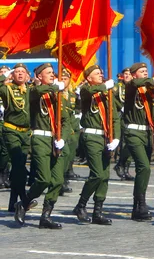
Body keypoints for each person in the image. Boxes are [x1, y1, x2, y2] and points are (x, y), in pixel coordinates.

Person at [15, 63, 68, 229]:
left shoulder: (56, 96)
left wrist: (63, 138)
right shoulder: (34, 91)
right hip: (40, 139)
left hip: (56, 141)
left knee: (58, 180)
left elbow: (66, 120)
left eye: (53, 73)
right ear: (39, 76)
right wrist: (54, 87)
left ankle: (46, 216)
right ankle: (23, 202)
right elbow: (37, 91)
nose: (53, 75)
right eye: (49, 73)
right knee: (43, 179)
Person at [72, 65, 119, 225]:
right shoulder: (86, 91)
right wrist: (105, 86)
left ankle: (98, 211)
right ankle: (81, 204)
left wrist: (116, 138)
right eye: (97, 73)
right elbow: (87, 93)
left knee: (104, 176)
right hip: (91, 136)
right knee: (97, 173)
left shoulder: (107, 94)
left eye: (101, 72)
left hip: (106, 137)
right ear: (89, 78)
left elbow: (115, 117)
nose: (101, 75)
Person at [123, 62, 154, 221]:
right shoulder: (131, 86)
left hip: (147, 132)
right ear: (134, 74)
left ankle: (137, 206)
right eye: (142, 71)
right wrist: (152, 81)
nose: (145, 73)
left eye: (147, 70)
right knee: (144, 166)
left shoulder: (150, 91)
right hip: (133, 132)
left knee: (144, 170)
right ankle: (140, 203)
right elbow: (133, 83)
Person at [0, 64, 31, 213]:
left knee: (19, 167)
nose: (19, 74)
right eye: (16, 72)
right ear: (12, 75)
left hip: (26, 133)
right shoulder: (8, 89)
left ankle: (13, 201)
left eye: (22, 72)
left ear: (27, 76)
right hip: (11, 130)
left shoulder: (31, 90)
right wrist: (4, 77)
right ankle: (24, 198)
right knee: (19, 166)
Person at [113, 68, 135, 181]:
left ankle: (124, 167)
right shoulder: (118, 87)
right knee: (125, 141)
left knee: (131, 143)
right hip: (122, 117)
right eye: (125, 74)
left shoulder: (134, 86)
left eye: (129, 74)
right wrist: (119, 106)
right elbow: (111, 96)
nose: (127, 76)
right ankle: (121, 165)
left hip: (132, 116)